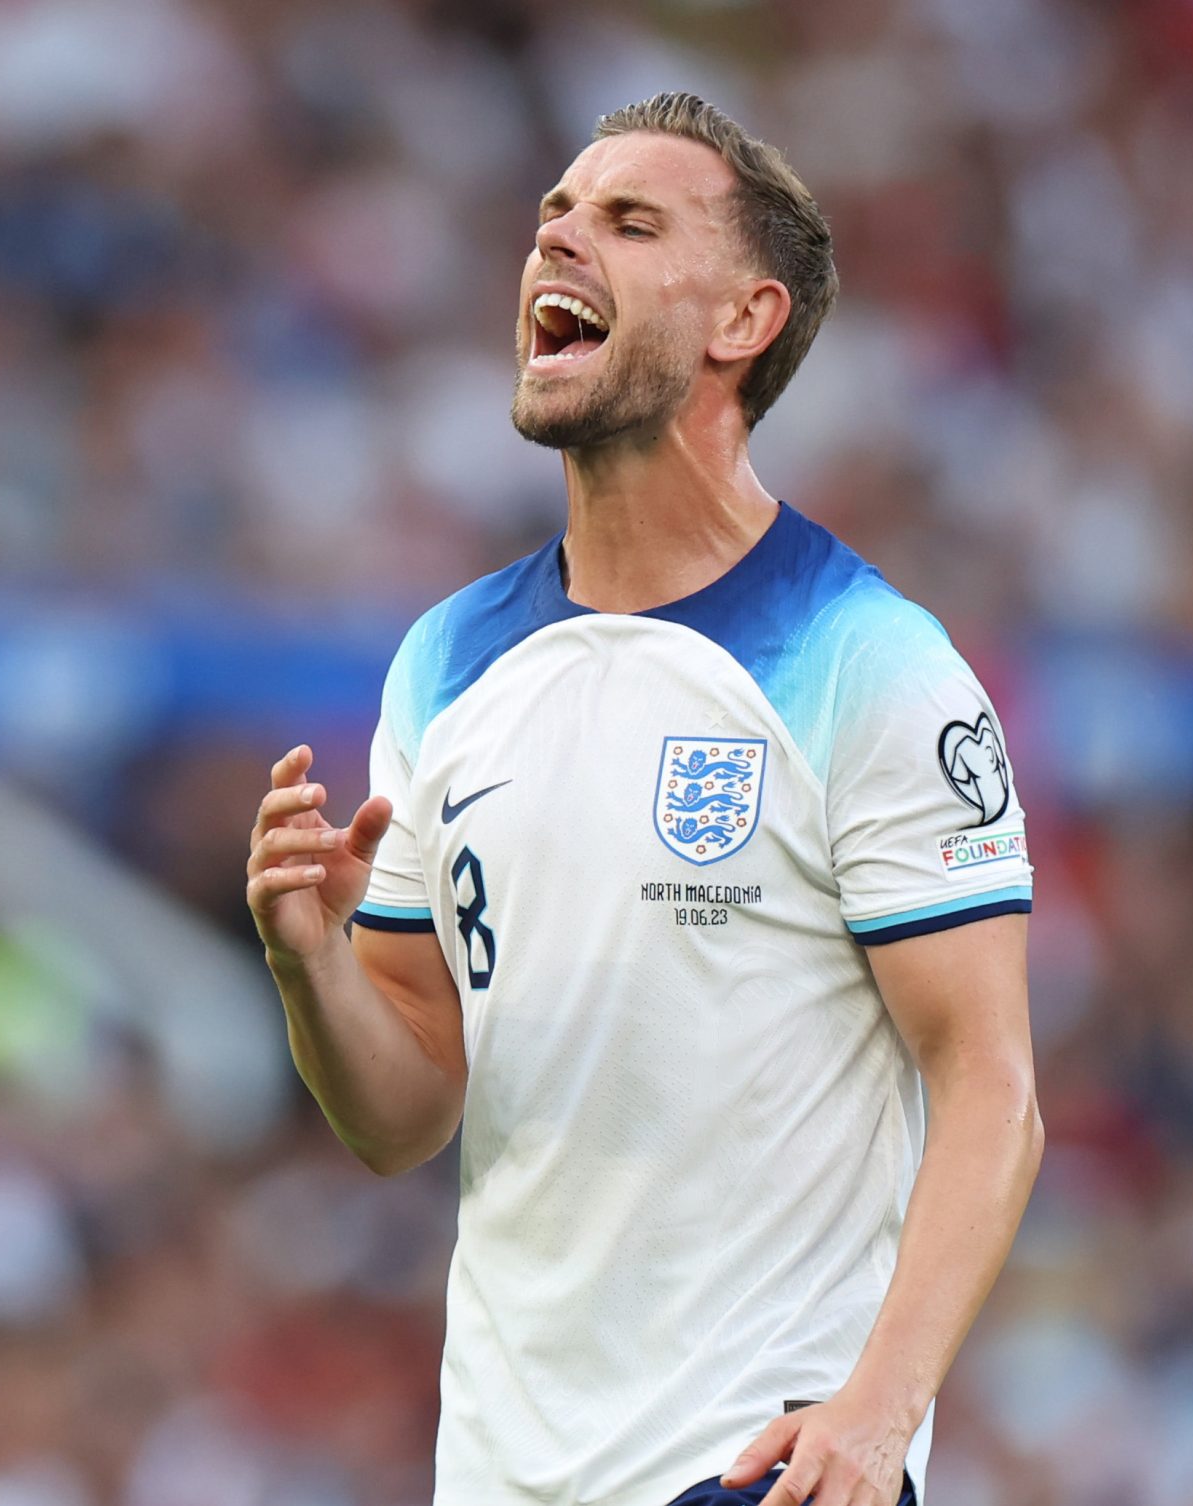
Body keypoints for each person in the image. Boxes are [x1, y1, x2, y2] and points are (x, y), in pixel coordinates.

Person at [244, 93, 1042, 1506]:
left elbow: (992, 1086)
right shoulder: (446, 664)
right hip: (506, 1468)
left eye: (627, 219)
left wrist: (880, 1408)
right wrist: (311, 970)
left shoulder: (871, 664)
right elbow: (403, 1111)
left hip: (756, 1465)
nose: (558, 232)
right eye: (556, 209)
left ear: (742, 319)